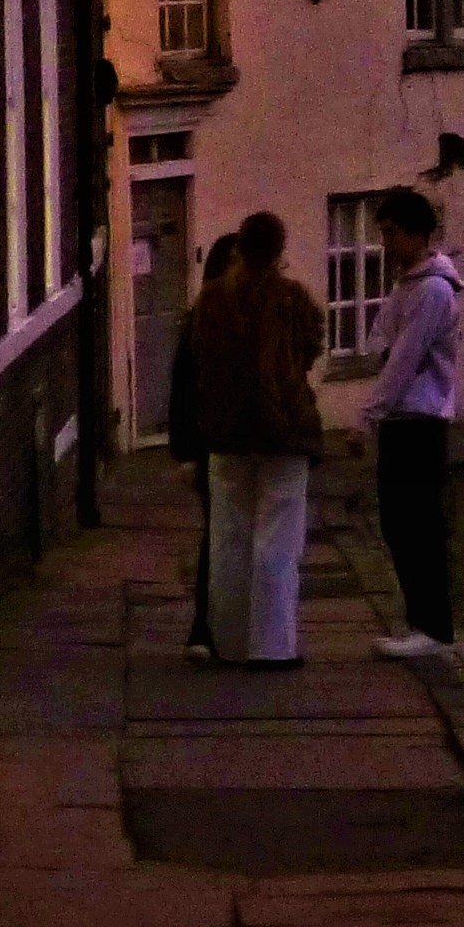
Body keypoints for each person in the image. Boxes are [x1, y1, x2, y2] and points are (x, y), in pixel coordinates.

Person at [199, 207, 323, 667]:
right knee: (278, 540)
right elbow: (311, 347)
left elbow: (200, 360)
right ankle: (272, 646)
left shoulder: (210, 300)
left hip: (227, 431)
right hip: (283, 431)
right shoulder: (292, 299)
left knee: (228, 538)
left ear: (238, 247)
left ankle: (228, 642)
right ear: (279, 251)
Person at [359, 185, 464, 659]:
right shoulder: (407, 286)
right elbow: (376, 341)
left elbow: (401, 358)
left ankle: (432, 626)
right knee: (398, 524)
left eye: (390, 233)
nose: (385, 243)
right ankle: (421, 620)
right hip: (403, 419)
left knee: (417, 525)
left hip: (419, 420)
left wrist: (367, 417)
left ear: (416, 234)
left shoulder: (434, 291)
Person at [164, 230, 250, 662]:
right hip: (212, 447)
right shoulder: (201, 322)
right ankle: (206, 628)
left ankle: (229, 627)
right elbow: (183, 391)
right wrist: (186, 453)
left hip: (244, 444)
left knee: (239, 537)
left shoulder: (251, 317)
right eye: (234, 262)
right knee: (219, 536)